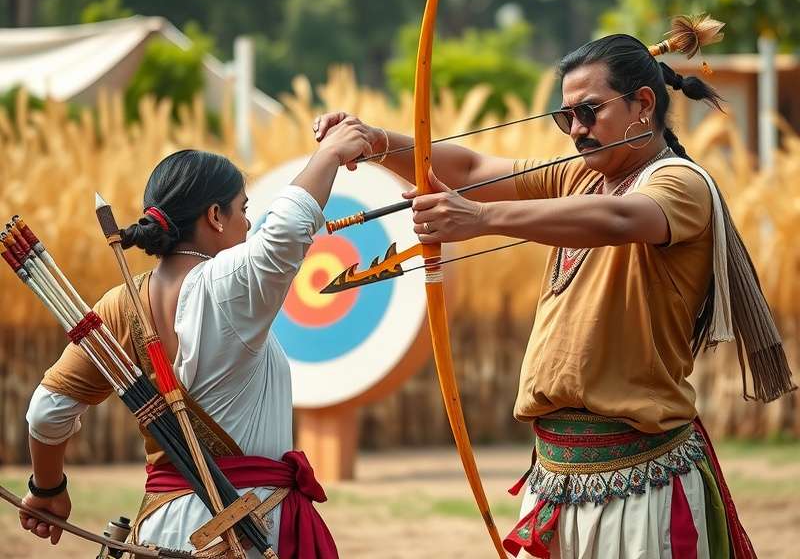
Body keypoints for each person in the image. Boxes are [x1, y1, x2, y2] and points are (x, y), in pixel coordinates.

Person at [313, 33, 794, 558]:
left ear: (644, 104)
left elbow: (618, 219)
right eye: (567, 118)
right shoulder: (580, 177)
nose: (578, 131)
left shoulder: (679, 182)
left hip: (641, 483)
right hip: (556, 472)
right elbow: (472, 172)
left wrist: (481, 219)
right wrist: (376, 141)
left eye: (589, 111)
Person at [19, 119, 373, 557]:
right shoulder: (226, 285)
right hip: (245, 529)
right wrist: (329, 154)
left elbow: (46, 412)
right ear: (214, 216)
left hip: (160, 530)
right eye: (242, 210)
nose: (248, 224)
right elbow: (283, 234)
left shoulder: (118, 304)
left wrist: (47, 486)